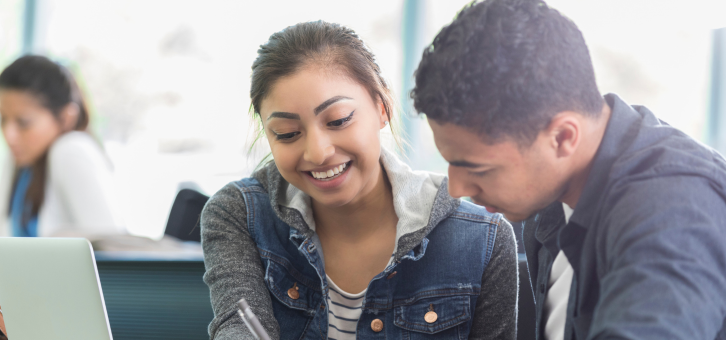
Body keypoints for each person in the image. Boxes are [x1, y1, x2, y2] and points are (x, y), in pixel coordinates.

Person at [411, 0, 726, 339]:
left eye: (478, 169)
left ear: (562, 137)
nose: (456, 188)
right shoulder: (551, 192)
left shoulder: (672, 210)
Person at [201, 21, 518, 339]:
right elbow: (237, 326)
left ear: (382, 108)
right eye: (288, 134)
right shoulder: (239, 214)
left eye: (338, 120)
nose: (318, 153)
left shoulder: (483, 241)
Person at [0, 55, 124, 237]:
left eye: (24, 122)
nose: (9, 135)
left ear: (66, 118)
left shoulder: (70, 149)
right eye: (3, 119)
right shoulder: (17, 165)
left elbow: (109, 244)